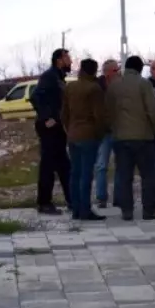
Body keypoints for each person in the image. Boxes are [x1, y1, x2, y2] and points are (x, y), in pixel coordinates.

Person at [105, 55, 155, 221]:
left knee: (124, 175)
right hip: (143, 137)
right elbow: (152, 109)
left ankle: (127, 211)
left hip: (120, 138)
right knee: (148, 175)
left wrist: (114, 129)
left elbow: (108, 111)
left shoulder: (114, 86)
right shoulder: (144, 84)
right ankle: (149, 210)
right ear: (139, 69)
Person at [62, 58, 106, 221]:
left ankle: (75, 209)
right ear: (94, 71)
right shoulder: (94, 89)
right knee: (86, 174)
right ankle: (85, 210)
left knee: (75, 173)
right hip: (89, 135)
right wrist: (100, 134)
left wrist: (69, 129)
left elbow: (64, 113)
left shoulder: (70, 87)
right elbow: (99, 116)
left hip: (73, 134)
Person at [31, 48, 72, 215]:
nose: (70, 61)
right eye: (68, 58)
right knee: (48, 165)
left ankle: (72, 200)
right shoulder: (50, 76)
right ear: (59, 60)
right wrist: (47, 117)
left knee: (64, 165)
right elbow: (36, 96)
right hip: (49, 127)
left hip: (58, 127)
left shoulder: (59, 77)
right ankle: (44, 203)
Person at [94, 59, 121, 209]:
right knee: (101, 165)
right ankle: (101, 197)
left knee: (120, 165)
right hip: (104, 132)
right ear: (107, 72)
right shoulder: (98, 86)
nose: (118, 73)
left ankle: (118, 197)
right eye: (116, 70)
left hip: (119, 130)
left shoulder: (121, 85)